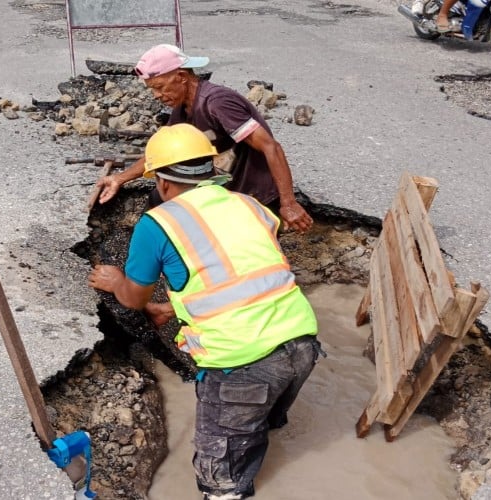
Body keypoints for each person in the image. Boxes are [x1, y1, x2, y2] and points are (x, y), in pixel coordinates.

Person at [88, 123, 322, 500]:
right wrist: (169, 307)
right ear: (212, 172)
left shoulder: (158, 223)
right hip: (303, 343)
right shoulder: (250, 205)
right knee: (265, 420)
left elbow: (132, 298)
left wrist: (115, 281)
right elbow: (234, 279)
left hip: (243, 364)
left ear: (162, 183)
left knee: (220, 477)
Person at [95, 44, 313, 233]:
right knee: (158, 199)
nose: (157, 96)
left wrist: (289, 202)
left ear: (181, 76)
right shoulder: (182, 109)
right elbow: (161, 156)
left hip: (255, 194)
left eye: (160, 87)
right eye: (153, 90)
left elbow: (271, 147)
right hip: (226, 188)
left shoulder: (217, 103)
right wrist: (119, 179)